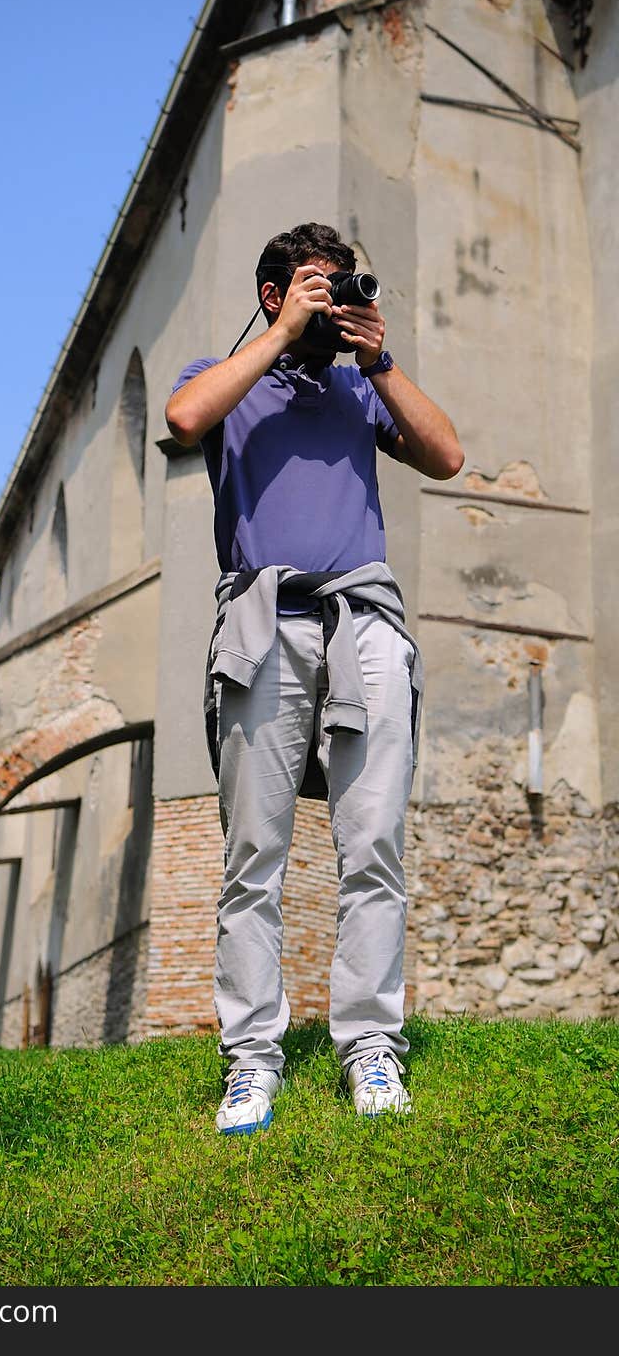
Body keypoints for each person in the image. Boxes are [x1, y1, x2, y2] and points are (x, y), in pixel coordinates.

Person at [164, 222, 464, 1134]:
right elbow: (183, 422)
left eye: (343, 287)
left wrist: (380, 361)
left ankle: (371, 1048)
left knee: (373, 847)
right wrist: (282, 335)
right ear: (272, 293)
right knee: (253, 858)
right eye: (315, 286)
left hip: (365, 624)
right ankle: (251, 1062)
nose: (334, 300)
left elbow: (447, 455)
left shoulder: (355, 388)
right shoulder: (223, 375)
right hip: (265, 624)